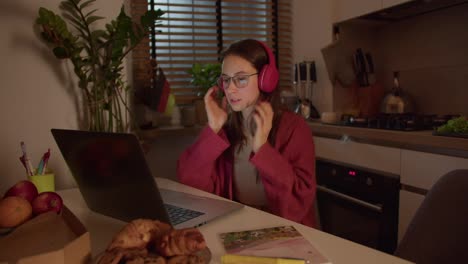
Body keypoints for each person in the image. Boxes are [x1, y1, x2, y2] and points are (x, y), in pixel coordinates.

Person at [177, 39, 317, 228]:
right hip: (238, 224)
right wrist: (213, 128)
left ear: (265, 80)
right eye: (226, 79)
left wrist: (262, 148)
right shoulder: (225, 130)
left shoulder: (295, 128)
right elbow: (189, 183)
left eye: (241, 79)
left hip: (287, 230)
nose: (230, 89)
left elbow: (296, 206)